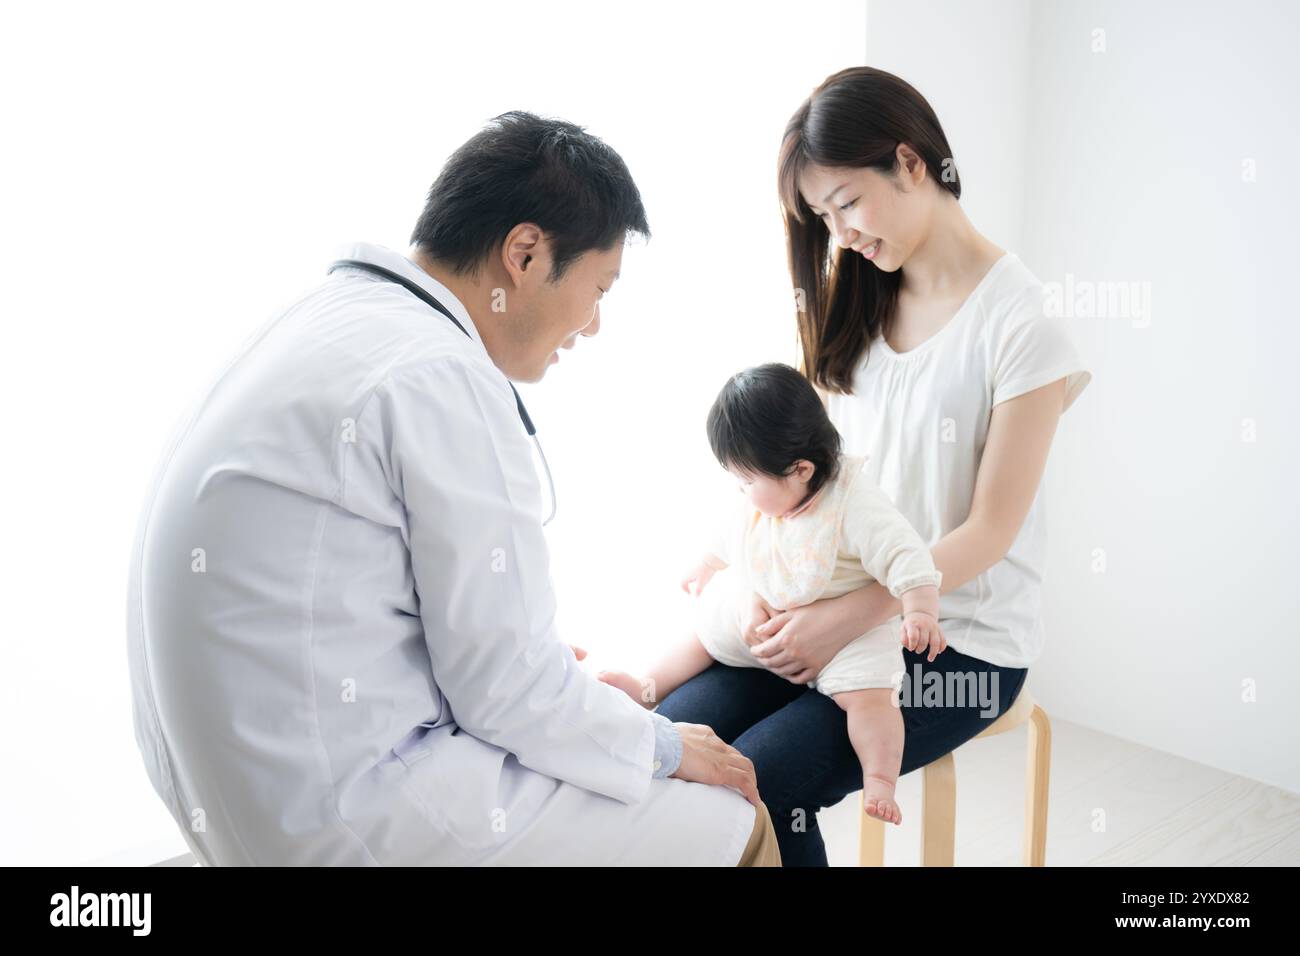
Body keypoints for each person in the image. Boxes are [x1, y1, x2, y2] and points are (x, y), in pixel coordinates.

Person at [126, 110, 779, 866]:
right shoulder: (440, 375)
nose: (593, 325)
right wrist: (660, 745)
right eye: (599, 288)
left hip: (245, 792)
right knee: (736, 822)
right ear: (526, 254)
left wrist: (543, 679)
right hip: (353, 814)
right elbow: (506, 692)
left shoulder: (327, 323)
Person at [655, 66, 1092, 866]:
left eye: (848, 202)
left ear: (911, 163)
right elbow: (810, 484)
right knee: (677, 735)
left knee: (768, 776)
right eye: (823, 217)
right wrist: (773, 589)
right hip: (828, 607)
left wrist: (851, 614)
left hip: (957, 643)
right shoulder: (857, 297)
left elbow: (990, 531)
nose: (841, 233)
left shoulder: (1023, 324)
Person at [599, 363, 945, 826]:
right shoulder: (766, 498)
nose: (742, 491)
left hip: (848, 634)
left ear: (801, 470)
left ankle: (880, 777)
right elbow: (731, 535)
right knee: (703, 632)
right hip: (768, 619)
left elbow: (907, 554)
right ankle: (647, 688)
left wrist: (919, 609)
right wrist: (707, 565)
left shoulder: (853, 505)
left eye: (748, 481)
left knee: (870, 697)